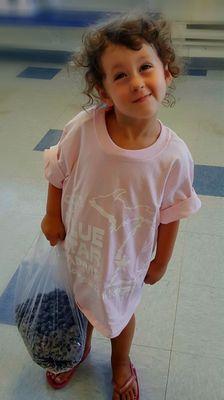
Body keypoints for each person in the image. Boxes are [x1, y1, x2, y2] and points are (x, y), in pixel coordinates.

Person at [41, 10, 201, 400]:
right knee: (82, 306)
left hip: (127, 259)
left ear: (167, 71)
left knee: (119, 314)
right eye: (120, 75)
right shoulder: (84, 128)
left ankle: (120, 363)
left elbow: (172, 212)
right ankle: (77, 349)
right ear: (103, 90)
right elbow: (58, 170)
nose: (136, 82)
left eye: (145, 66)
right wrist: (51, 213)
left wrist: (161, 260)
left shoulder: (173, 157)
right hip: (80, 245)